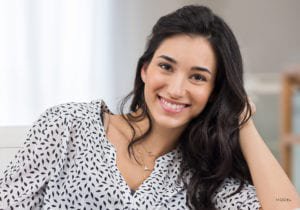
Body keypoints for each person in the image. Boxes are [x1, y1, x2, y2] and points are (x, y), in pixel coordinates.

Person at [0, 5, 299, 210]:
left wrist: (242, 119)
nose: (176, 89)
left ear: (214, 91)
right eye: (166, 67)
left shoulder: (206, 177)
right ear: (145, 70)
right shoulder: (67, 125)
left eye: (198, 77)